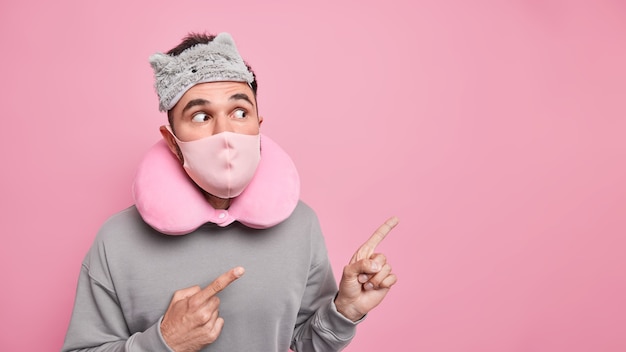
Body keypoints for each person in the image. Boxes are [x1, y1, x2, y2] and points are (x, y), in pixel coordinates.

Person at [62, 32, 399, 352]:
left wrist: (344, 310)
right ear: (172, 142)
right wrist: (164, 342)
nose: (225, 134)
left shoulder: (301, 226)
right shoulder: (117, 240)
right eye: (200, 115)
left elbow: (306, 342)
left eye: (240, 112)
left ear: (258, 126)